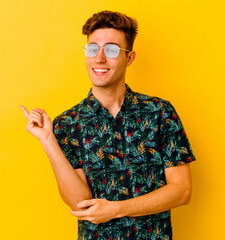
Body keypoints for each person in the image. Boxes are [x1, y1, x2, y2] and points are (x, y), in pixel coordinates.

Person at [20, 10, 196, 240]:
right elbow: (79, 203)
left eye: (112, 50)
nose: (99, 58)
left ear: (129, 58)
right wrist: (47, 140)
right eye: (92, 49)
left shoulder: (160, 112)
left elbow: (182, 191)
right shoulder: (67, 124)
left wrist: (116, 208)